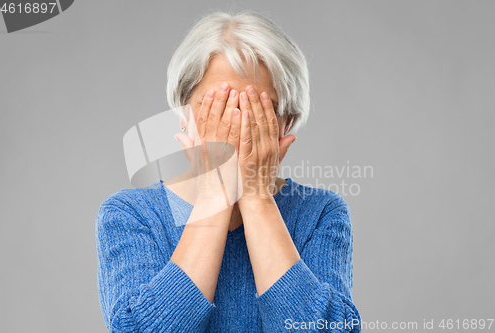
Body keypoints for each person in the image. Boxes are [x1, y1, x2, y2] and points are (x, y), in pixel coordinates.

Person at [96, 10, 361, 332]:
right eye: (218, 107)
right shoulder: (130, 214)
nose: (235, 126)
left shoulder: (319, 213)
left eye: (255, 110)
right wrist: (214, 196)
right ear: (183, 113)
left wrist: (256, 197)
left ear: (286, 122)